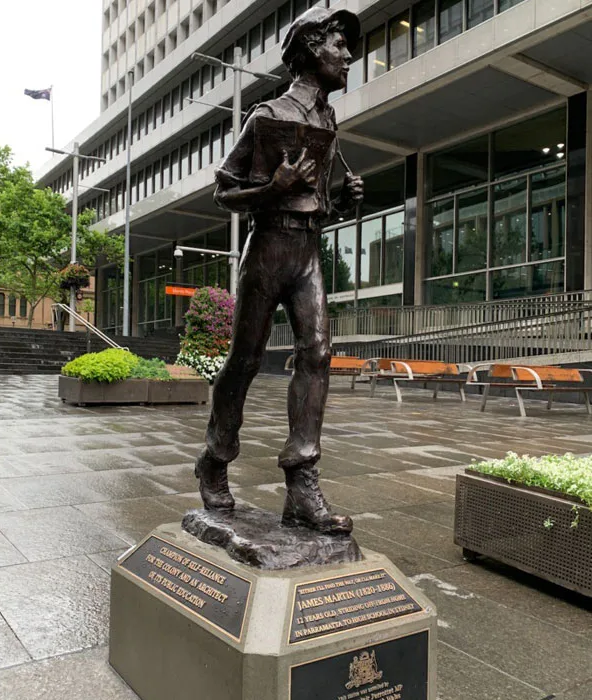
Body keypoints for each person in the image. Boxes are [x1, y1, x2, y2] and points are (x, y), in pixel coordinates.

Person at [195, 6, 364, 535]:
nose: (349, 55)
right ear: (314, 49)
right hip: (267, 249)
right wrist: (273, 189)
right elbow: (224, 191)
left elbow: (320, 203)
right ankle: (215, 458)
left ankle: (301, 483)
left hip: (308, 251)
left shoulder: (328, 121)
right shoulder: (267, 116)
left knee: (317, 353)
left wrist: (343, 198)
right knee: (244, 359)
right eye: (340, 45)